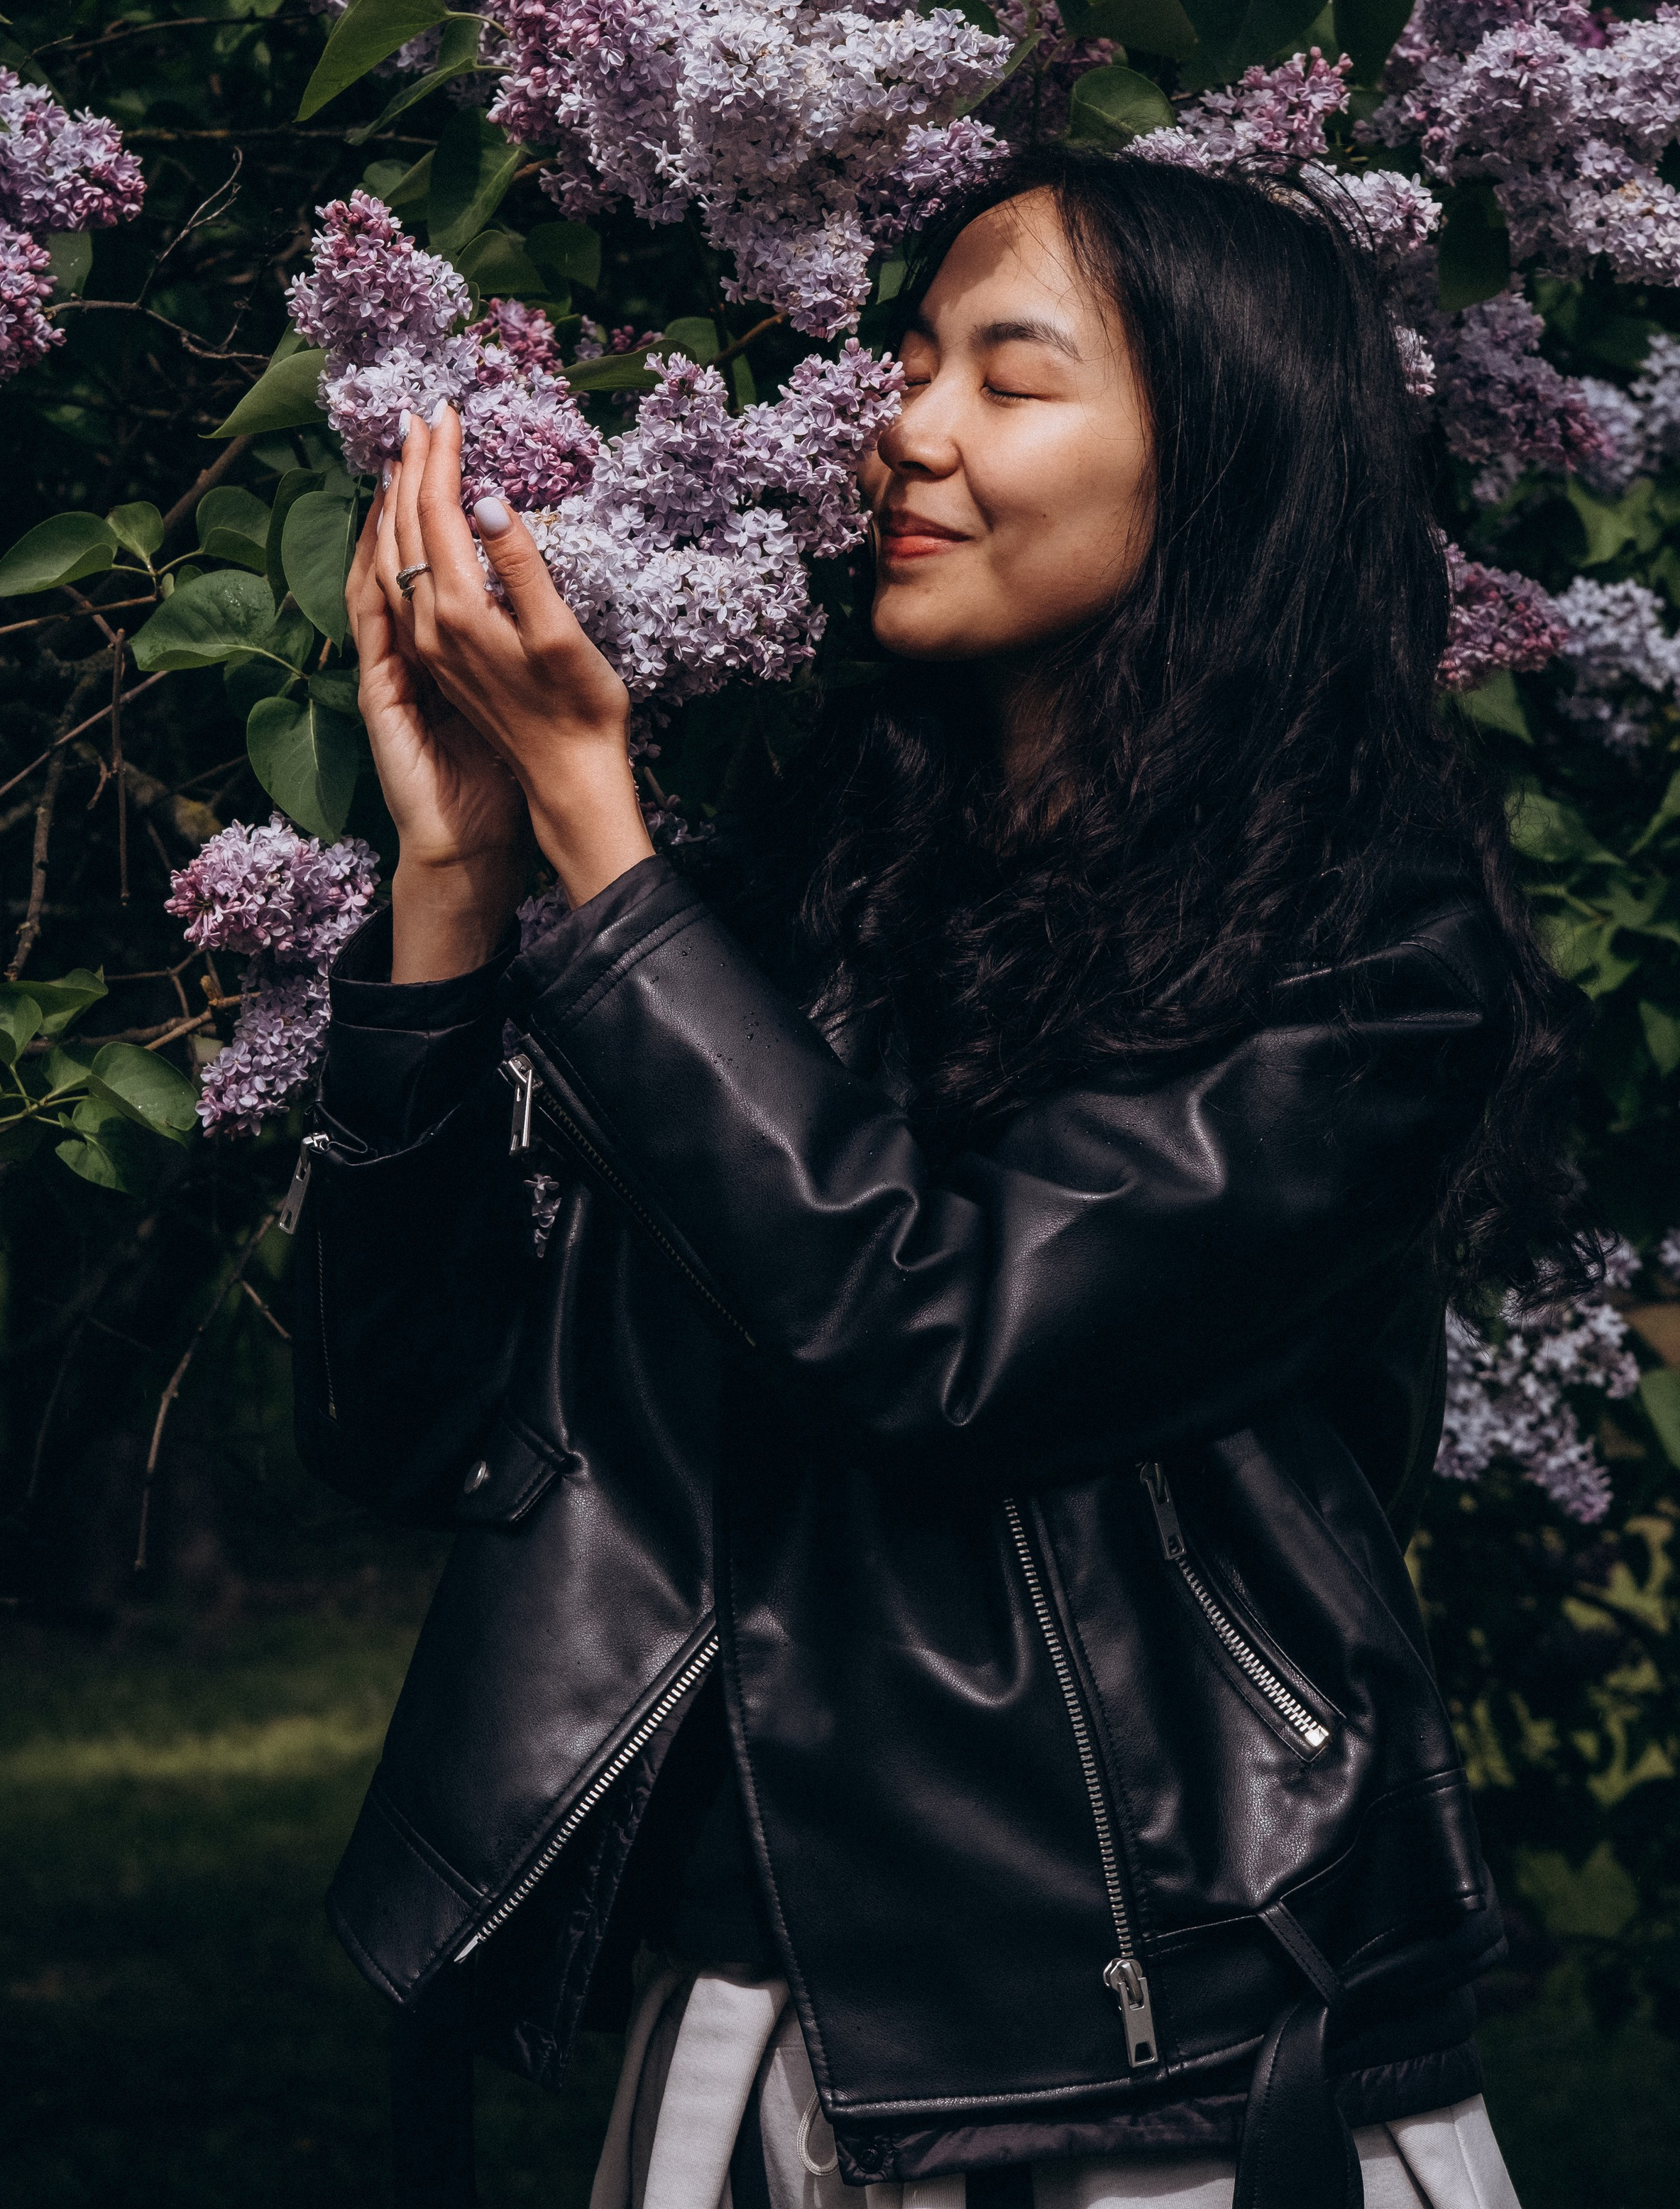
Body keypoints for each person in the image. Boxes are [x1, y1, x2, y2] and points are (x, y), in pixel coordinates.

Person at [295, 152, 1585, 2209]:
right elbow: (413, 1415)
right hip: (748, 2040)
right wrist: (460, 881)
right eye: (910, 360)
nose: (906, 425)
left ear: (1223, 464)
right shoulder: (808, 910)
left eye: (1012, 374)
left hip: (1154, 2079)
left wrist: (605, 863)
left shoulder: (1364, 956)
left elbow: (949, 1339)